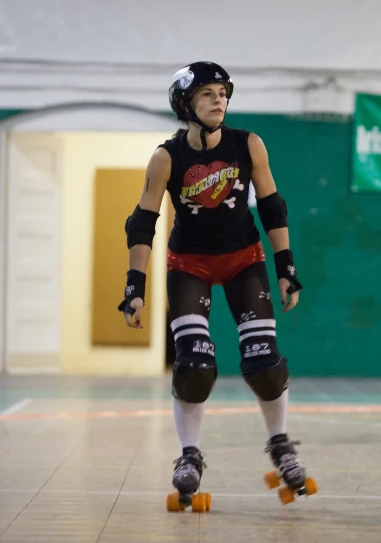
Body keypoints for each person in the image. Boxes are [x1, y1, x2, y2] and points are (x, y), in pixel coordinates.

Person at [117, 61, 317, 510]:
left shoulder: (248, 145)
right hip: (188, 263)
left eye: (223, 92)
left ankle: (281, 447)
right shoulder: (166, 157)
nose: (219, 100)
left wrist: (286, 266)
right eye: (208, 93)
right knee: (194, 365)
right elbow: (142, 223)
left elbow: (272, 207)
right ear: (185, 103)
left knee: (264, 362)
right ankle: (189, 456)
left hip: (244, 259)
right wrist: (135, 286)